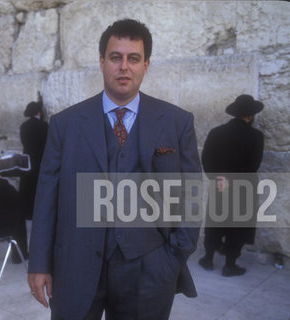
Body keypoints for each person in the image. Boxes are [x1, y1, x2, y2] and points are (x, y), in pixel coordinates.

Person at [27, 19, 201, 319]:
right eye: (115, 57)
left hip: (149, 271)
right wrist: (39, 263)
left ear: (146, 65)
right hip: (75, 266)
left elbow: (192, 194)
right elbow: (47, 198)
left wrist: (173, 257)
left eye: (133, 58)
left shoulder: (176, 122)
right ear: (101, 62)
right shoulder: (65, 124)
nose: (124, 66)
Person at [199, 94, 264, 277]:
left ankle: (208, 258)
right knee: (238, 226)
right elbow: (253, 165)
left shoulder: (216, 133)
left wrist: (218, 179)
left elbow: (206, 160)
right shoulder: (256, 137)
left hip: (220, 185)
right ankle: (230, 264)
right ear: (250, 116)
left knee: (215, 222)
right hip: (243, 187)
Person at [19, 96, 48, 220]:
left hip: (27, 159)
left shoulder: (24, 126)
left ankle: (25, 212)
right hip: (40, 159)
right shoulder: (44, 125)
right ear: (39, 112)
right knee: (38, 187)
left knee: (27, 186)